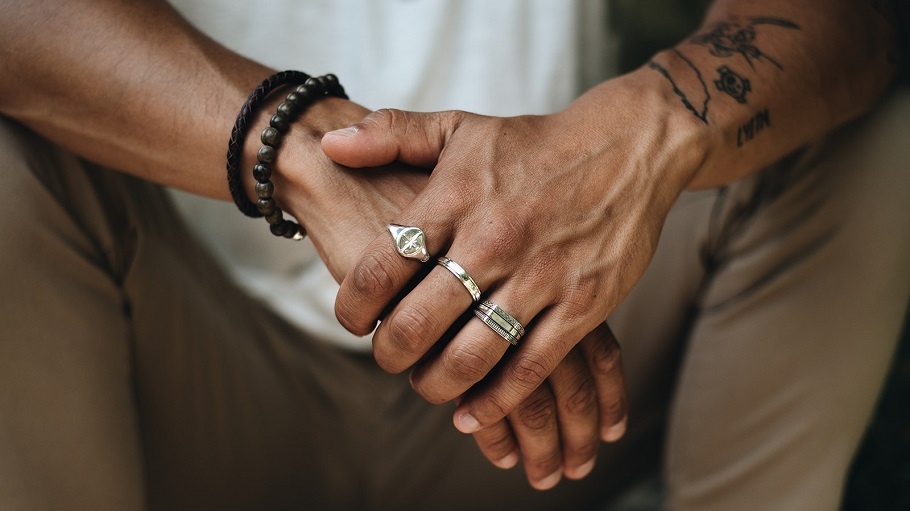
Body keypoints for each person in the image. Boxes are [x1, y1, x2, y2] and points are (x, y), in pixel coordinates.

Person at [0, 2, 906, 511]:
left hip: (554, 399)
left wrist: (643, 140)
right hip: (181, 366)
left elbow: (861, 22)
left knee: (858, 135)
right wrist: (308, 155)